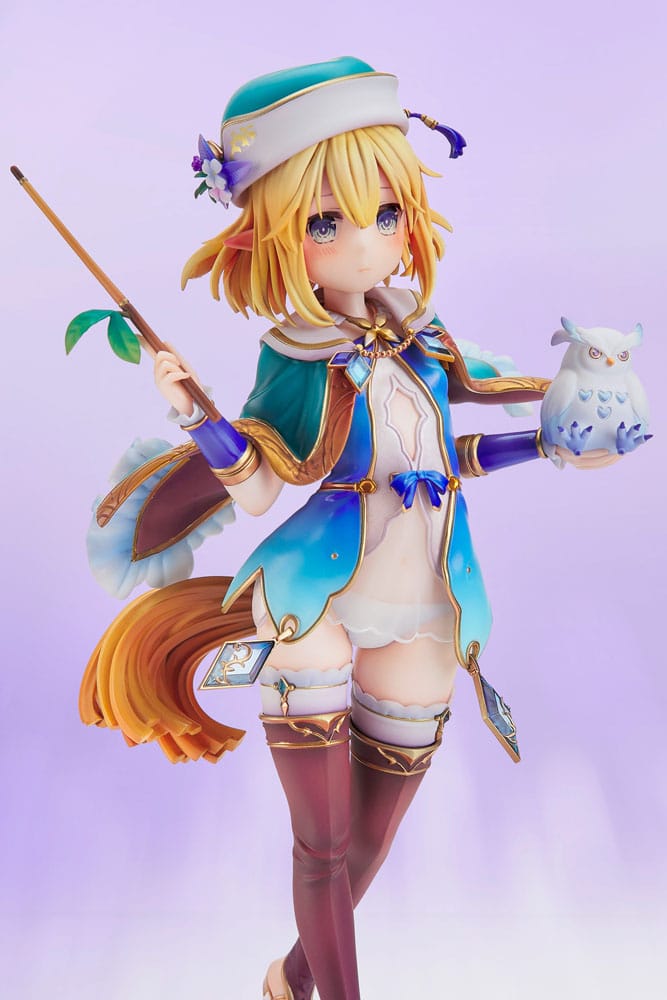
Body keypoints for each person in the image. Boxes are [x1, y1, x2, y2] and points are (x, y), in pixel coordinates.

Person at [82, 57, 622, 1000]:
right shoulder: (294, 355)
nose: (367, 245)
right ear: (272, 235)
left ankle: (287, 983)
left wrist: (555, 438)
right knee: (322, 841)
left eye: (385, 212)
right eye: (326, 222)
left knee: (372, 835)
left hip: (428, 598)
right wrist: (198, 416)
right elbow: (259, 489)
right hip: (313, 599)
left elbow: (458, 451)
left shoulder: (423, 336)